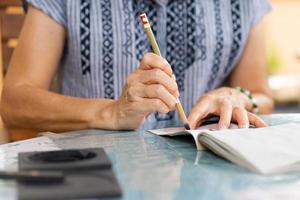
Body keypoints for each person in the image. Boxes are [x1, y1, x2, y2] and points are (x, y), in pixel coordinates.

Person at [0, 0, 274, 134]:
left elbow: (259, 95)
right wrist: (110, 112)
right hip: (95, 179)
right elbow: (15, 102)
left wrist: (237, 97)